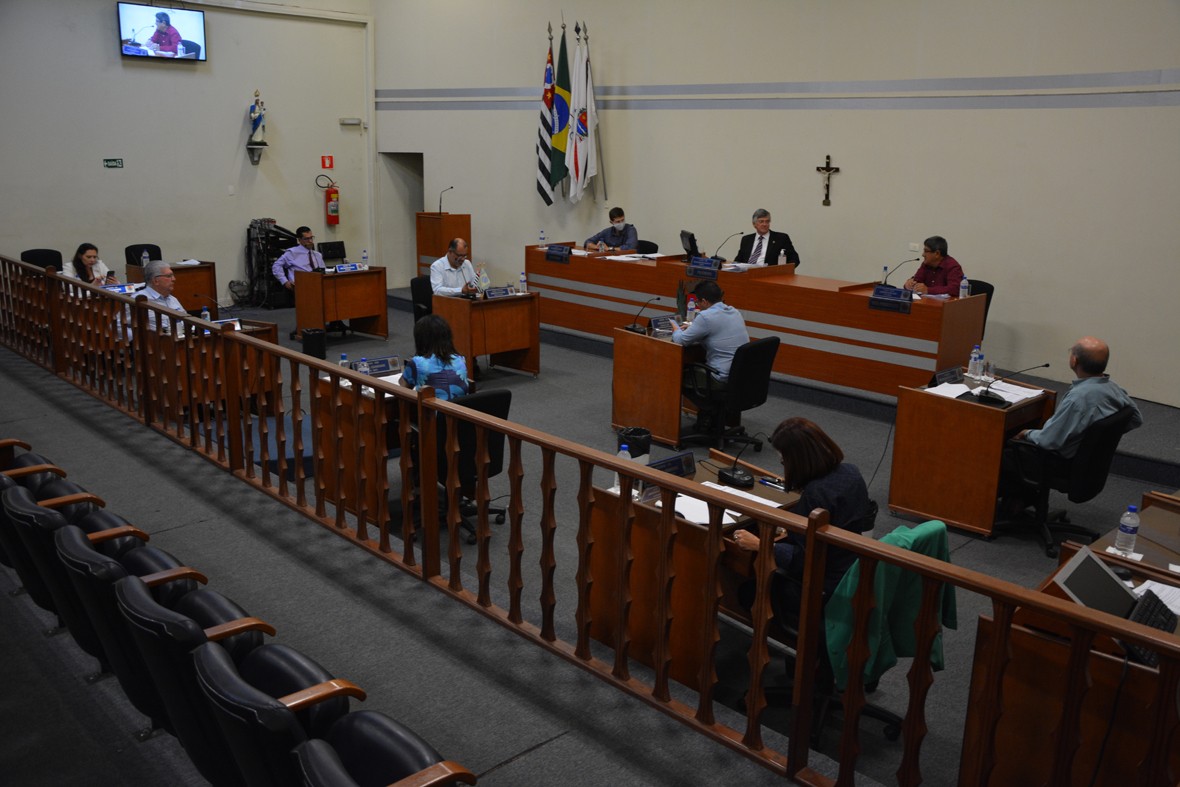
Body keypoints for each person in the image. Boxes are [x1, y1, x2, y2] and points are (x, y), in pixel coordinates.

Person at [731, 417, 876, 625]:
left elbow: (802, 560)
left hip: (822, 588)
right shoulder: (851, 472)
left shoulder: (816, 495)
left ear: (797, 460)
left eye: (783, 461)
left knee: (747, 591)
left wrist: (761, 544)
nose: (783, 466)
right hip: (851, 573)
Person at [999, 337, 1143, 509]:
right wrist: (1097, 439)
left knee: (998, 451)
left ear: (1074, 360)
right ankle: (1019, 501)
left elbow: (1048, 441)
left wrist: (1026, 433)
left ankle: (1008, 503)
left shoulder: (1078, 399)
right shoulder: (1112, 388)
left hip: (1059, 462)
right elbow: (1135, 418)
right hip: (1085, 464)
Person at [672, 280, 749, 384]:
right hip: (739, 374)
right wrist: (693, 326)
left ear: (704, 301)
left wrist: (676, 328)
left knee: (678, 375)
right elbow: (718, 326)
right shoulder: (734, 312)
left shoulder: (705, 317)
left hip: (719, 376)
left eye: (698, 302)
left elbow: (680, 341)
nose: (698, 305)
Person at [400, 314, 469, 401]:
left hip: (434, 409)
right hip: (460, 408)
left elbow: (402, 387)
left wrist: (408, 370)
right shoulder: (460, 359)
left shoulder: (417, 363)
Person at [733, 209, 800, 267]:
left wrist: (783, 271)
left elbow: (794, 259)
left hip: (769, 274)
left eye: (767, 221)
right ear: (754, 224)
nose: (764, 224)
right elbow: (738, 260)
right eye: (761, 221)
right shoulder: (746, 240)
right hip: (747, 273)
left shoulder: (781, 238)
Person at [137, 260, 184, 333]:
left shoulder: (172, 299)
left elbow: (186, 320)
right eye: (169, 276)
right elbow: (119, 327)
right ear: (156, 280)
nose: (174, 279)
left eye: (173, 275)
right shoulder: (138, 299)